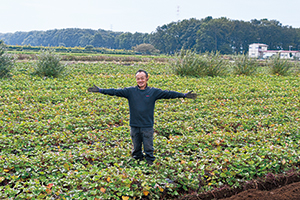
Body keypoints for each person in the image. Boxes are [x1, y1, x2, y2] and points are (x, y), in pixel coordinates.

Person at [88, 69, 197, 165]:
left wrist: (183, 95)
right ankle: (137, 162)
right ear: (136, 79)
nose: (140, 80)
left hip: (147, 125)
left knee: (148, 146)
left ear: (147, 78)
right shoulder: (130, 91)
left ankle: (150, 163)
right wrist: (101, 90)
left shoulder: (153, 92)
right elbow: (115, 91)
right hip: (134, 124)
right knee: (136, 147)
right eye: (138, 78)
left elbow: (168, 94)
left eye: (142, 78)